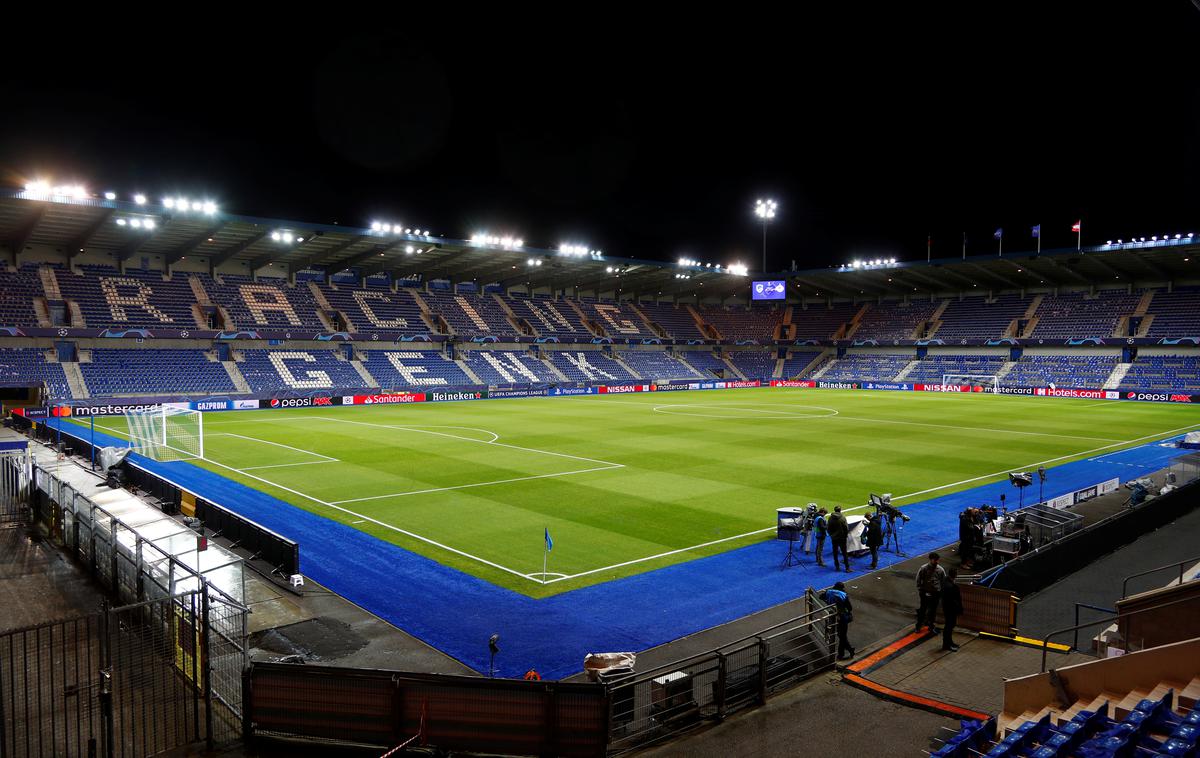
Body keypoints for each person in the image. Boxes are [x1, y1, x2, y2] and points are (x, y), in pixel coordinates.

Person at [915, 552, 946, 634]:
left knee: (933, 611)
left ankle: (931, 626)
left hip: (936, 593)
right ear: (930, 560)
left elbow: (943, 582)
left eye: (937, 560)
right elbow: (918, 580)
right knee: (923, 610)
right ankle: (918, 626)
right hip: (925, 592)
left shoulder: (940, 570)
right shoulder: (924, 568)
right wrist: (921, 590)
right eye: (935, 560)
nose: (937, 562)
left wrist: (941, 592)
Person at [822, 581, 854, 660]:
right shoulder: (843, 595)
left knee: (841, 635)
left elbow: (821, 597)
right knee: (842, 636)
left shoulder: (828, 592)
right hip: (842, 617)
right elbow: (850, 608)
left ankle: (843, 653)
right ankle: (848, 650)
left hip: (832, 616)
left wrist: (829, 603)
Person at [941, 567, 962, 652]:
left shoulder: (946, 581)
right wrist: (959, 608)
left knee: (950, 626)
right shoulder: (950, 586)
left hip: (947, 608)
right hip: (950, 609)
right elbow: (954, 600)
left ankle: (950, 642)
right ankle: (946, 645)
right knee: (949, 627)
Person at [827, 506, 850, 572]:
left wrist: (831, 535)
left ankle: (837, 567)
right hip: (842, 538)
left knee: (835, 552)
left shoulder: (830, 518)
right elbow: (846, 528)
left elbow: (828, 528)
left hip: (834, 538)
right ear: (840, 510)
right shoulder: (842, 518)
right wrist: (845, 536)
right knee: (844, 553)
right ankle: (847, 568)